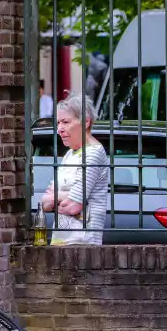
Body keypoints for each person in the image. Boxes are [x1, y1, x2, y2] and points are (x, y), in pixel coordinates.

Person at [39, 91, 110, 245]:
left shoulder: (93, 153)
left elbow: (73, 206)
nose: (59, 129)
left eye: (65, 122)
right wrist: (66, 195)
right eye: (58, 123)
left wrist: (58, 196)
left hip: (83, 243)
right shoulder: (70, 154)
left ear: (85, 122)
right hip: (62, 240)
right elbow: (45, 203)